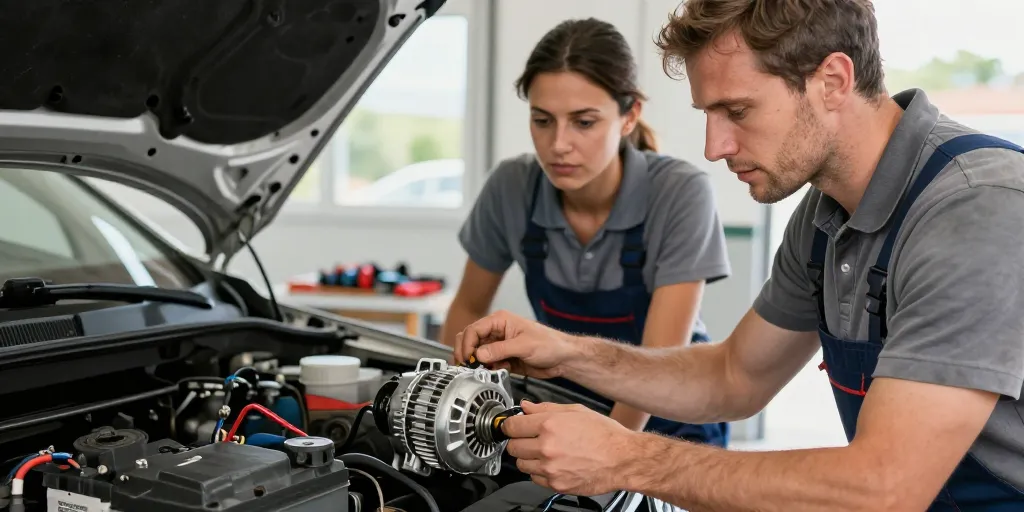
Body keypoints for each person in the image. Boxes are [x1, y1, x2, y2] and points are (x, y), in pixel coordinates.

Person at [453, 0, 1024, 510]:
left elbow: (883, 488)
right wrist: (565, 353)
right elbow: (733, 377)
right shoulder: (826, 215)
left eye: (738, 112)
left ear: (832, 80)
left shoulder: (978, 209)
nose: (714, 146)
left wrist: (626, 458)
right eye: (708, 114)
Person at [439, 17, 733, 447]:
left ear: (629, 115)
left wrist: (604, 455)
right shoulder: (511, 187)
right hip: (560, 406)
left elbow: (657, 364)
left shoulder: (680, 193)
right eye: (542, 120)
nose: (558, 144)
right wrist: (452, 413)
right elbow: (466, 307)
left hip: (670, 418)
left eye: (584, 122)